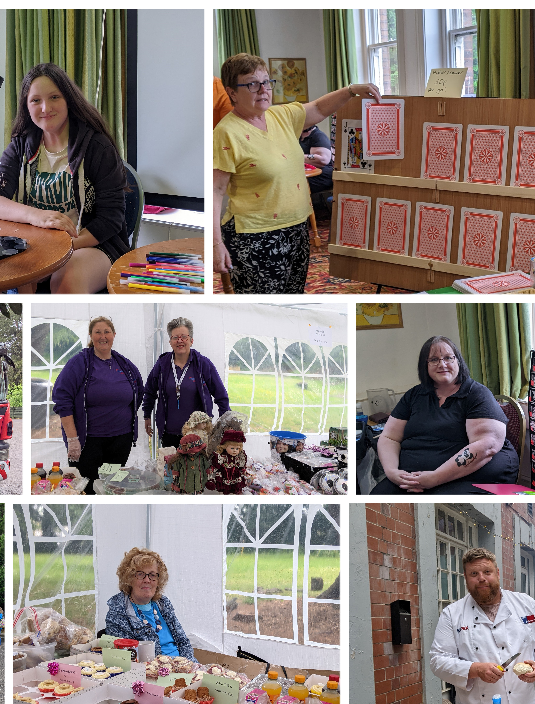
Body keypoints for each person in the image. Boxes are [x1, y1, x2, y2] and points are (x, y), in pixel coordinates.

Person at [213, 53, 379, 293]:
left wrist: (351, 90)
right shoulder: (226, 132)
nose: (263, 90)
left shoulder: (281, 115)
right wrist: (216, 243)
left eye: (266, 82)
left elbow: (320, 107)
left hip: (297, 229)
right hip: (255, 237)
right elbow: (216, 191)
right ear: (232, 92)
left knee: (294, 295)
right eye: (252, 83)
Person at [0, 62, 129, 294]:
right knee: (7, 273)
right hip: (34, 245)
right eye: (36, 100)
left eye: (54, 97)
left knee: (66, 277)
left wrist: (55, 249)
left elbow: (110, 220)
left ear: (68, 99)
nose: (45, 107)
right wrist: (37, 216)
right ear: (26, 106)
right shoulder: (20, 145)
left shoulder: (98, 147)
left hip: (91, 244)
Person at [429, 547, 535, 704]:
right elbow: (437, 661)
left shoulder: (525, 604)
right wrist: (475, 669)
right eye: (474, 573)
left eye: (487, 572)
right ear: (465, 577)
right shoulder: (453, 614)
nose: (481, 578)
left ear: (497, 573)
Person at [372, 337, 520, 494]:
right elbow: (389, 437)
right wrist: (393, 473)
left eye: (448, 358)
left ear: (458, 361)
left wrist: (435, 478)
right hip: (413, 476)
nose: (442, 364)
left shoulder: (477, 394)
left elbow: (486, 446)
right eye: (434, 360)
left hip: (469, 477)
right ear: (425, 365)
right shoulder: (414, 395)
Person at [51, 315, 144, 495]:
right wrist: (72, 440)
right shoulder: (79, 363)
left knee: (112, 487)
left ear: (114, 335)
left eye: (107, 332)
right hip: (88, 444)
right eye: (97, 332)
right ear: (91, 336)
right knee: (86, 488)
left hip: (120, 440)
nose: (103, 336)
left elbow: (138, 391)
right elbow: (62, 399)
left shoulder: (125, 364)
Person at [143, 317, 230, 449]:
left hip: (198, 434)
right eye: (175, 337)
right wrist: (146, 415)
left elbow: (221, 395)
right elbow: (149, 390)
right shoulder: (162, 364)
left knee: (196, 469)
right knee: (171, 468)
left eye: (184, 336)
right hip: (169, 434)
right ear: (170, 341)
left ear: (191, 340)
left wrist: (225, 424)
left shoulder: (203, 364)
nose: (179, 341)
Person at [103, 547, 194, 659]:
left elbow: (183, 642)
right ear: (129, 578)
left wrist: (189, 665)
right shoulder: (119, 610)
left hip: (184, 668)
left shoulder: (163, 604)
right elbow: (128, 658)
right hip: (152, 672)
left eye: (152, 575)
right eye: (140, 574)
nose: (147, 580)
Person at [299, 124, 333, 211]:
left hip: (323, 175)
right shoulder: (299, 136)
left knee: (294, 185)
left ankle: (302, 215)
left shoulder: (318, 136)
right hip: (307, 173)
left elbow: (323, 160)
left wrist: (296, 156)